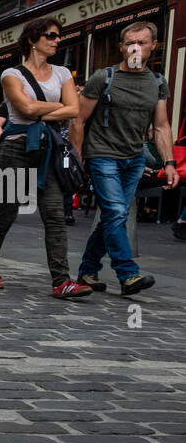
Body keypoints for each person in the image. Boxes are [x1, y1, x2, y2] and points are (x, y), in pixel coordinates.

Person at [0, 16, 90, 299]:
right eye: (51, 36)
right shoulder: (10, 75)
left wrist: (40, 109)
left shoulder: (63, 73)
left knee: (54, 215)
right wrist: (56, 106)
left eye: (58, 36)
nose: (57, 40)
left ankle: (61, 281)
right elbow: (25, 109)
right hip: (14, 151)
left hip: (46, 151)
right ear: (32, 40)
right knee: (7, 213)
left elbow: (74, 110)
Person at [70, 20, 176, 296]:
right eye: (130, 42)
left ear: (153, 46)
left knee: (111, 216)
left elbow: (162, 126)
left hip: (134, 158)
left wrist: (169, 162)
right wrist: (79, 159)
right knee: (117, 212)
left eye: (141, 42)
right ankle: (127, 274)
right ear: (121, 47)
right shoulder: (103, 77)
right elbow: (79, 119)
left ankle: (87, 270)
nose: (135, 47)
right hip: (102, 154)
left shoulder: (157, 82)